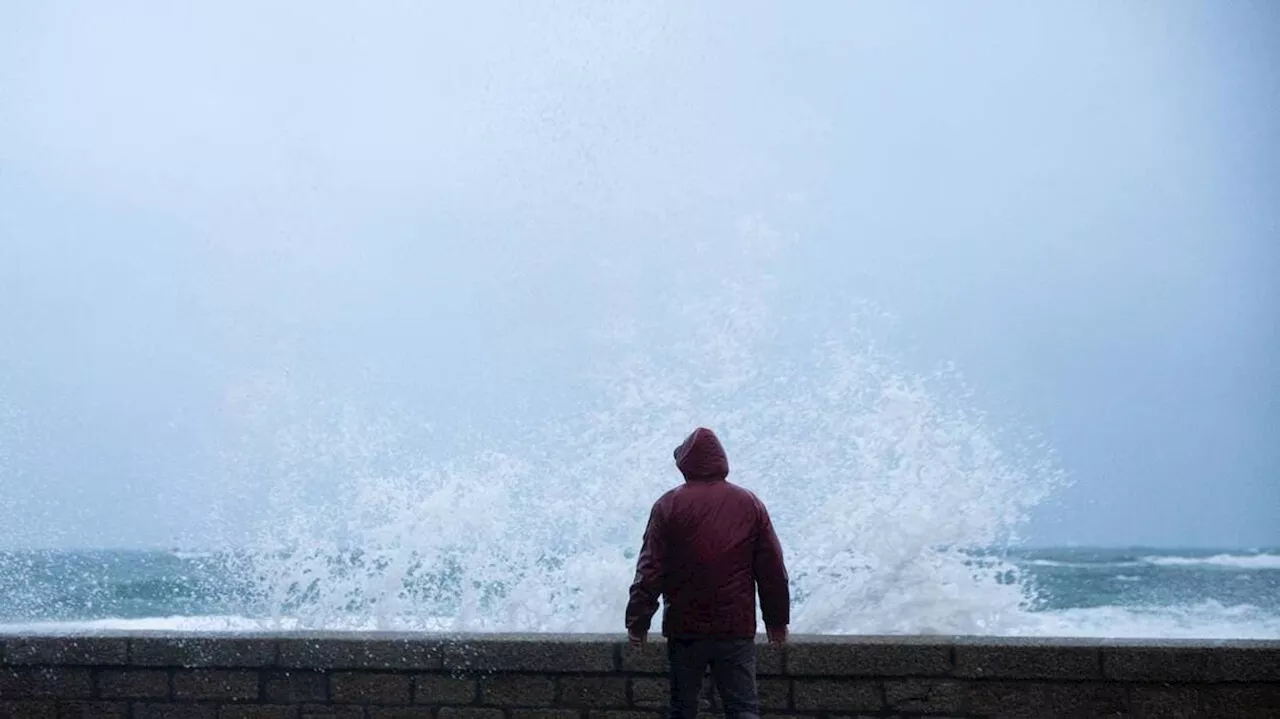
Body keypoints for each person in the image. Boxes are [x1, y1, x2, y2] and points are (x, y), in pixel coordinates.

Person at [625, 427, 790, 719]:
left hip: (685, 629)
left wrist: (638, 622)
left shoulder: (668, 505)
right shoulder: (749, 503)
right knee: (743, 709)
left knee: (684, 709)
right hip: (735, 629)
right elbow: (772, 570)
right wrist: (776, 621)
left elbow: (650, 570)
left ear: (686, 465)